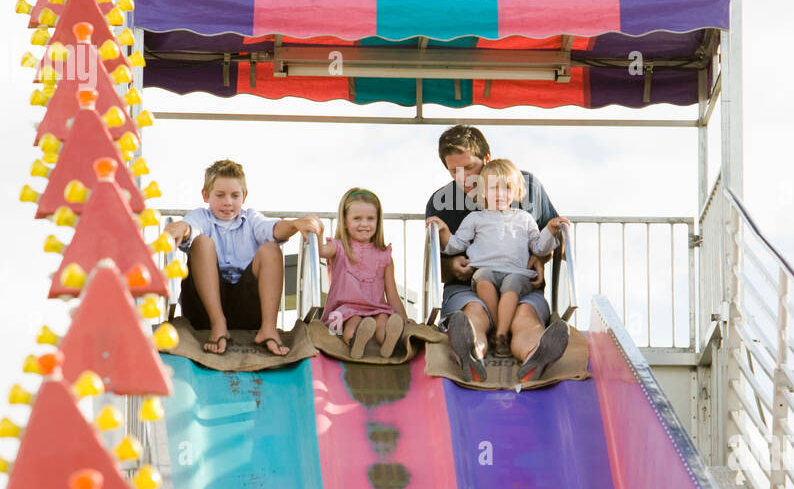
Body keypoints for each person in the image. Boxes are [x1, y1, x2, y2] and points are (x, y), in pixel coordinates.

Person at [424, 125, 571, 383]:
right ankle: (472, 352)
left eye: (469, 167)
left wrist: (540, 257)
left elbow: (553, 241)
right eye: (454, 170)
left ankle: (535, 354)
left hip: (520, 283)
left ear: (487, 159)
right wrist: (452, 266)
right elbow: (437, 260)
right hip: (470, 286)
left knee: (525, 319)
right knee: (473, 315)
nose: (463, 177)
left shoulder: (527, 186)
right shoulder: (440, 201)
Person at [164, 159, 322, 357]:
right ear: (205, 195)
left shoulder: (252, 219)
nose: (228, 201)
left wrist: (295, 224)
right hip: (205, 309)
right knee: (202, 242)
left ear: (244, 196)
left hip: (246, 309)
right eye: (220, 195)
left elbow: (272, 229)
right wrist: (182, 228)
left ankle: (268, 329)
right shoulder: (201, 217)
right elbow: (190, 226)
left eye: (234, 195)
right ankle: (218, 324)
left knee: (271, 249)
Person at [320, 188, 408, 360]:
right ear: (345, 221)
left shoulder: (384, 255)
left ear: (378, 221)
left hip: (376, 309)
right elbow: (321, 251)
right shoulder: (339, 248)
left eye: (370, 219)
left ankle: (388, 344)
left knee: (383, 319)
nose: (364, 224)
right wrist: (316, 231)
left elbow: (392, 294)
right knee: (353, 321)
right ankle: (356, 341)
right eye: (357, 219)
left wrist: (404, 318)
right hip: (345, 310)